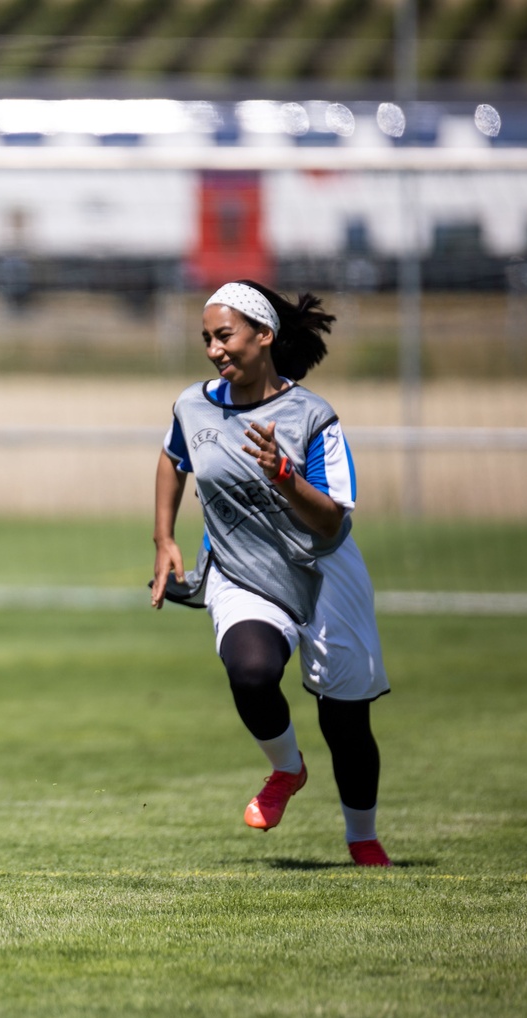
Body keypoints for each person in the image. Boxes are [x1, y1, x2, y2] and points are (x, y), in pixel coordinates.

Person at [150, 280, 392, 867]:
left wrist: (285, 475)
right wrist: (164, 538)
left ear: (264, 335)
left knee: (345, 720)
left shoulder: (312, 416)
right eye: (206, 339)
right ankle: (287, 769)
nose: (214, 349)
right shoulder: (193, 405)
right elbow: (173, 459)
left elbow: (331, 520)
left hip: (324, 570)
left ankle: (362, 838)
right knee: (252, 671)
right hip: (241, 568)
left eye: (224, 336)